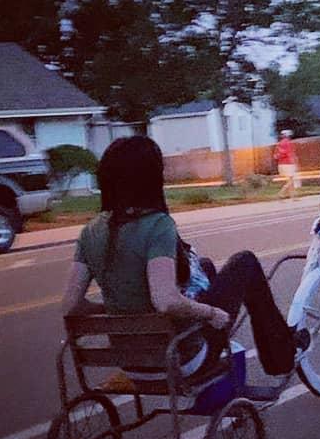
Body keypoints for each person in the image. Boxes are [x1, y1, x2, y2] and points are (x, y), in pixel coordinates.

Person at [61, 135, 303, 378]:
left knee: (204, 266)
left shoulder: (90, 231)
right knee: (245, 262)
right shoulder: (157, 225)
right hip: (179, 358)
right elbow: (165, 300)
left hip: (130, 364)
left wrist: (121, 309)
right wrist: (211, 313)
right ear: (150, 178)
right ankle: (281, 357)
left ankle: (274, 353)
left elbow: (71, 305)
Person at [274, 129, 299, 199]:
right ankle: (281, 193)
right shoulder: (288, 143)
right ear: (288, 135)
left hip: (281, 164)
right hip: (289, 163)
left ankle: (293, 196)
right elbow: (290, 154)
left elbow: (275, 156)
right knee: (291, 180)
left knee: (290, 180)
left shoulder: (279, 144)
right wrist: (295, 163)